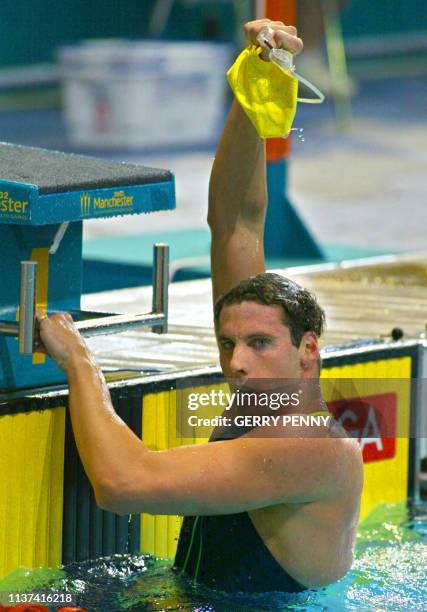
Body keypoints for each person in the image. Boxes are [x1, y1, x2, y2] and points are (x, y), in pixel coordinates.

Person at [37, 19, 363, 594]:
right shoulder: (267, 401)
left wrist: (81, 364)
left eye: (259, 344)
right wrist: (258, 85)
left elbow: (123, 484)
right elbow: (237, 222)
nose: (235, 362)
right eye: (227, 343)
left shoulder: (303, 446)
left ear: (309, 351)